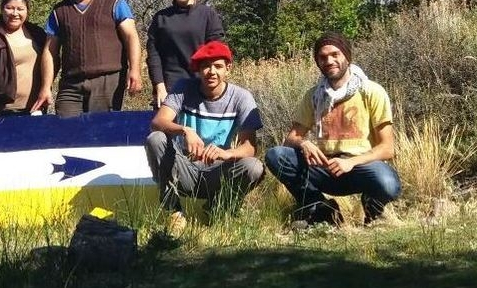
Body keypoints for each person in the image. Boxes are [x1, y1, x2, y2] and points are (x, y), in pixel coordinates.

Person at [264, 32, 401, 227]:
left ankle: (374, 210)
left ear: (347, 56)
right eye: (323, 57)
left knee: (388, 183)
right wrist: (304, 143)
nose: (329, 61)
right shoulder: (313, 96)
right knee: (276, 156)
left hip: (360, 166)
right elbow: (290, 139)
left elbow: (387, 148)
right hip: (325, 167)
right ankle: (320, 209)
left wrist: (350, 162)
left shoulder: (371, 91)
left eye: (335, 54)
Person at [144, 41, 264, 236]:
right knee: (155, 139)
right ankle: (173, 211)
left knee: (254, 166)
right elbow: (158, 122)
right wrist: (185, 131)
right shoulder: (184, 88)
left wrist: (226, 154)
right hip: (185, 168)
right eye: (206, 66)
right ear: (198, 70)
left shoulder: (241, 97)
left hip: (217, 172)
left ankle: (217, 208)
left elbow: (249, 147)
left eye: (218, 66)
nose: (211, 72)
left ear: (228, 68)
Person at [32, 0, 142, 117]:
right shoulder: (60, 11)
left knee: (101, 129)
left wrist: (135, 70)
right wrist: (46, 87)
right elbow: (50, 51)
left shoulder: (115, 2)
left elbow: (131, 37)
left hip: (107, 81)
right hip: (70, 83)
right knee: (65, 127)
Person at [147, 0, 224, 108]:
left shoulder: (208, 15)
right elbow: (153, 56)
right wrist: (159, 86)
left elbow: (217, 54)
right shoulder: (161, 18)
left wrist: (211, 85)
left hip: (202, 89)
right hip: (169, 91)